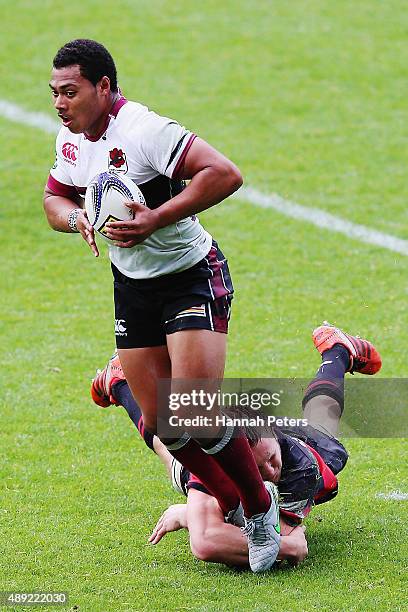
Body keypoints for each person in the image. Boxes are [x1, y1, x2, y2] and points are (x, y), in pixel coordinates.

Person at [44, 38, 280, 572]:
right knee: (166, 425)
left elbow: (224, 173)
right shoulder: (72, 140)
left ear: (104, 87)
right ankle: (234, 503)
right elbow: (52, 198)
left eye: (70, 91)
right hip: (133, 286)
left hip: (191, 277)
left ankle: (261, 508)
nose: (60, 103)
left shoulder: (144, 130)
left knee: (193, 406)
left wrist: (155, 218)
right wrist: (75, 218)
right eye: (54, 92)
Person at [91, 322, 382, 568]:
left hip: (296, 445)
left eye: (269, 459)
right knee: (173, 454)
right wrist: (198, 519)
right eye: (260, 467)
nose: (271, 469)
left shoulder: (299, 468)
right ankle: (118, 378)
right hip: (222, 446)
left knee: (322, 423)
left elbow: (288, 538)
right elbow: (210, 544)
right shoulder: (217, 457)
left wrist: (187, 516)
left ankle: (337, 351)